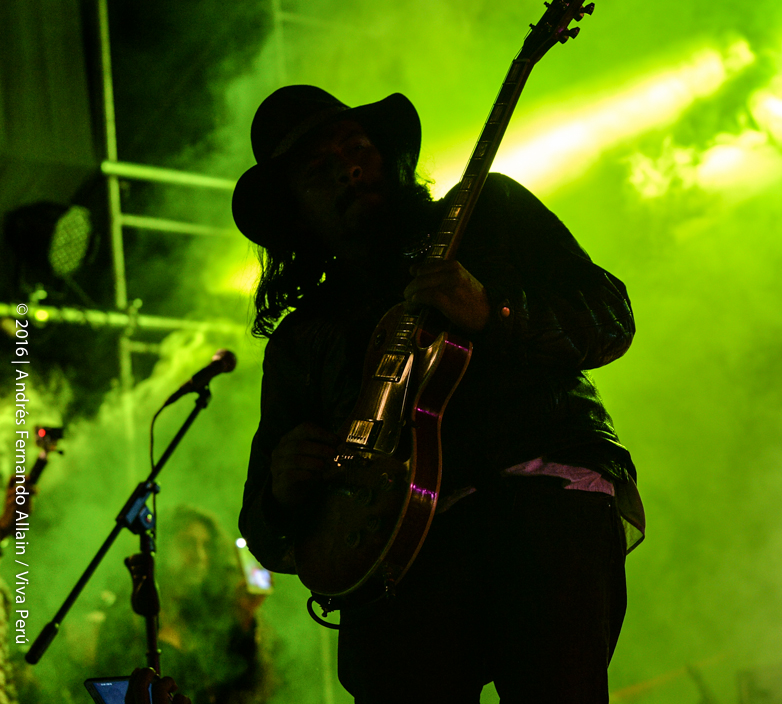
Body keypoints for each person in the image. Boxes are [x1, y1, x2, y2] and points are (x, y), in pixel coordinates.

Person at [233, 85, 643, 703]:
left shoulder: (489, 212)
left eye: (356, 148)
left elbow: (610, 318)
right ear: (295, 212)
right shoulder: (302, 339)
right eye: (318, 170)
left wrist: (494, 311)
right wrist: (283, 491)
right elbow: (263, 530)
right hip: (397, 557)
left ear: (388, 154)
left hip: (541, 499)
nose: (348, 169)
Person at [91, 506, 272, 704]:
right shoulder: (130, 614)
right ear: (161, 547)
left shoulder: (211, 617)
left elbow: (247, 687)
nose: (200, 556)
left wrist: (246, 619)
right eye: (187, 543)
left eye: (206, 546)